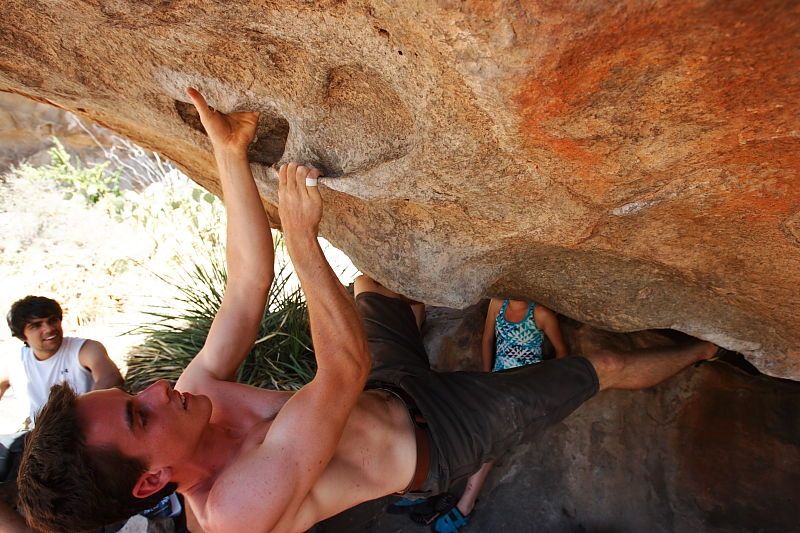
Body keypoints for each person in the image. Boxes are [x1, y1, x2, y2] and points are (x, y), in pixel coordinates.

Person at [16, 88, 721, 533]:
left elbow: (244, 289)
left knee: (375, 281)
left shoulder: (193, 398)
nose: (157, 388)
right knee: (601, 367)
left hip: (386, 387)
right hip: (441, 436)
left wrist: (229, 154)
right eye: (140, 414)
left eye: (130, 393)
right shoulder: (234, 510)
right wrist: (302, 238)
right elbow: (339, 372)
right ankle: (705, 350)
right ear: (150, 482)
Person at [425, 299, 567, 532]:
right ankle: (437, 483)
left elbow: (562, 351)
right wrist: (486, 376)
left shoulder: (540, 314)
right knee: (464, 419)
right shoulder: (497, 304)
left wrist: (547, 386)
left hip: (524, 390)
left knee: (490, 435)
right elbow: (488, 339)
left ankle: (465, 505)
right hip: (497, 383)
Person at [1, 295, 123, 427]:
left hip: (86, 427)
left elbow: (111, 378)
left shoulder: (85, 349)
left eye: (52, 320)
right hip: (36, 436)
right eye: (36, 325)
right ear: (22, 335)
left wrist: (72, 416)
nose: (49, 328)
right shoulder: (14, 362)